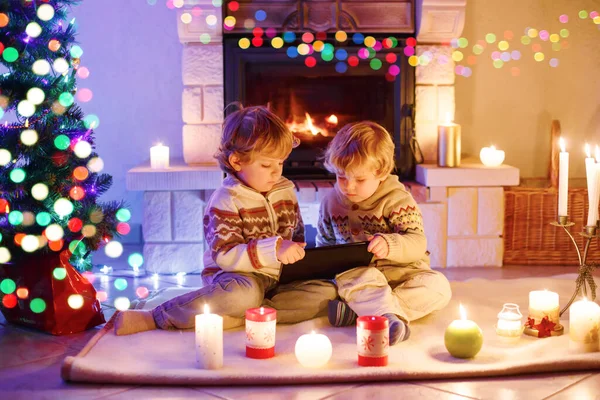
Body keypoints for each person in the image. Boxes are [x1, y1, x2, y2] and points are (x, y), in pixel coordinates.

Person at [114, 105, 337, 335]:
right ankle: (159, 316)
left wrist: (300, 259)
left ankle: (242, 315)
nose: (276, 173)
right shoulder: (226, 200)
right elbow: (225, 256)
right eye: (266, 165)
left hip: (277, 279)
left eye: (280, 163)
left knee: (326, 292)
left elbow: (296, 235)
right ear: (237, 161)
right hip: (235, 277)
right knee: (242, 295)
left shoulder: (285, 192)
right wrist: (275, 249)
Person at [317, 121, 452, 345]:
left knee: (439, 288)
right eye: (341, 177)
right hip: (362, 277)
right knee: (354, 279)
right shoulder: (330, 203)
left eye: (359, 180)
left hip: (404, 274)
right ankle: (381, 313)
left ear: (381, 173)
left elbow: (417, 242)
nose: (347, 187)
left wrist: (390, 245)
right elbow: (325, 246)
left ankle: (364, 313)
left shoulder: (398, 200)